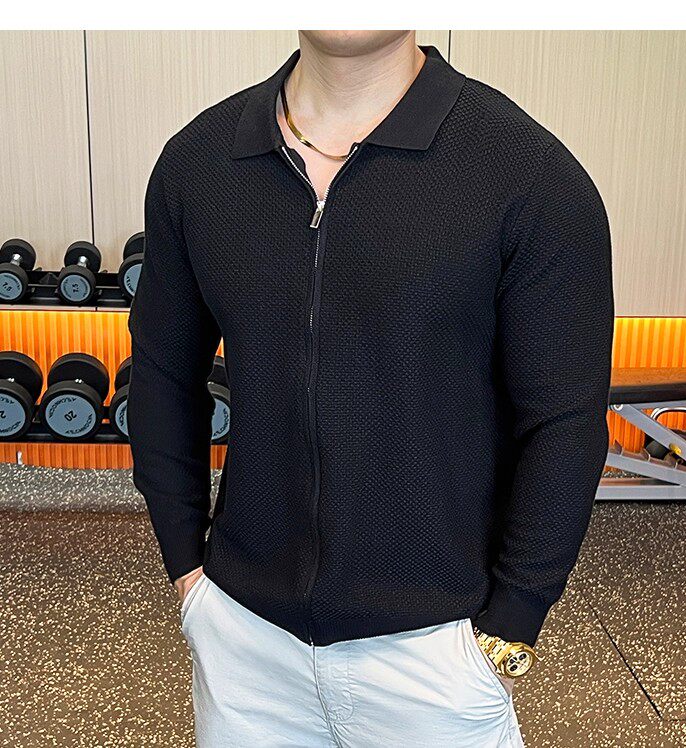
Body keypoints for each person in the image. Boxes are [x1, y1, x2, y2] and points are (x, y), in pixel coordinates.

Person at [127, 29, 614, 747]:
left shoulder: (528, 173)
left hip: (437, 653)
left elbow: (565, 421)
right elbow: (163, 374)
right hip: (242, 640)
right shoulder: (198, 163)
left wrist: (510, 625)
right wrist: (189, 576)